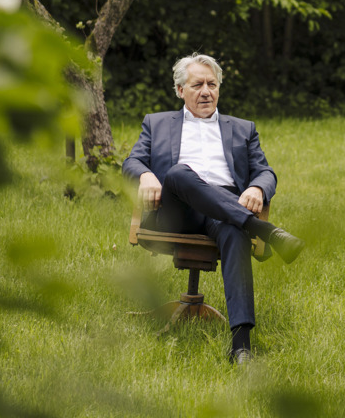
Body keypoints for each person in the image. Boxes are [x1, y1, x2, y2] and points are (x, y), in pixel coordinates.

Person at [122, 53, 304, 365]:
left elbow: (265, 172)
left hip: (224, 213)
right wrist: (147, 174)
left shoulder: (243, 129)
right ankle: (262, 229)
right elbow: (132, 161)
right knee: (178, 173)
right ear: (180, 90)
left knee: (234, 230)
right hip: (175, 213)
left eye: (212, 84)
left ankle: (241, 346)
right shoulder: (157, 123)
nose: (206, 91)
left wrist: (258, 187)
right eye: (197, 85)